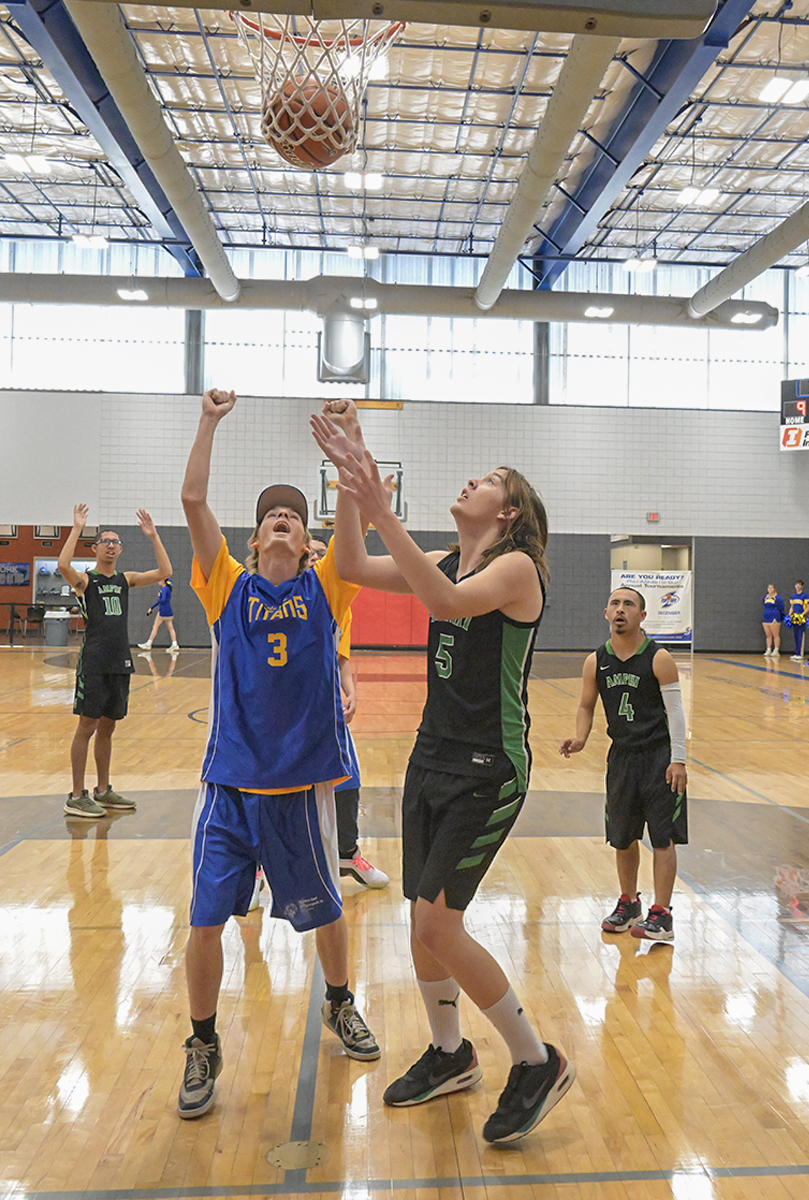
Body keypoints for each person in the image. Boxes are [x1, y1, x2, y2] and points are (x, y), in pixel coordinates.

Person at [314, 405, 575, 1146]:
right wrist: (348, 480)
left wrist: (379, 501)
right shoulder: (450, 559)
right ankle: (451, 1054)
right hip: (432, 756)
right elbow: (350, 566)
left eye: (487, 480)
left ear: (510, 509)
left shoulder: (515, 567)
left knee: (437, 921)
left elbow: (443, 602)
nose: (471, 481)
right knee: (420, 924)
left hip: (490, 769)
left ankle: (537, 1060)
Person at [176, 388, 379, 1120]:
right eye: (270, 514)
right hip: (230, 783)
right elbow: (193, 498)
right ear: (257, 540)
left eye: (291, 512)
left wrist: (351, 440)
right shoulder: (224, 585)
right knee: (204, 920)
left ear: (305, 537)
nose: (281, 517)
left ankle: (340, 1002)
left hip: (299, 787)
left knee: (325, 910)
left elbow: (351, 522)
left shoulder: (329, 589)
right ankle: (201, 1044)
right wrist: (208, 420)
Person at [559, 586, 688, 943]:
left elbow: (676, 713)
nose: (620, 610)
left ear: (642, 616)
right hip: (622, 758)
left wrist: (679, 759)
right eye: (614, 604)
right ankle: (629, 904)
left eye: (628, 604)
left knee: (662, 838)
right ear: (605, 612)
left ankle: (661, 915)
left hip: (659, 757)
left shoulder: (658, 658)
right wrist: (581, 737)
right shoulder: (596, 660)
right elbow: (586, 705)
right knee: (622, 836)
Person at [57, 503, 171, 819]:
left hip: (120, 661)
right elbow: (63, 565)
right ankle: (76, 794)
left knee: (108, 727)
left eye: (116, 541)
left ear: (120, 550)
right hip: (93, 661)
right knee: (87, 726)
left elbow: (165, 573)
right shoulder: (86, 581)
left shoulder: (125, 579)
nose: (111, 545)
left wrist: (153, 536)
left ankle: (103, 790)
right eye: (105, 541)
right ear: (95, 548)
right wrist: (77, 528)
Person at [308, 535, 389, 890]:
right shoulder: (275, 597)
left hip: (326, 707)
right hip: (283, 710)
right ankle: (262, 865)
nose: (314, 558)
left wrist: (350, 691)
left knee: (348, 776)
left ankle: (346, 854)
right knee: (276, 787)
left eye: (321, 555)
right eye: (308, 553)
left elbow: (341, 658)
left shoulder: (340, 606)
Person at [138, 575, 179, 651]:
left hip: (163, 611)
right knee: (171, 628)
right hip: (169, 611)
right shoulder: (168, 589)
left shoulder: (164, 589)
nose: (158, 581)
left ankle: (149, 644)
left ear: (163, 581)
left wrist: (152, 607)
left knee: (155, 627)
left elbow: (162, 600)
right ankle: (175, 644)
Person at [785, 581, 809, 660]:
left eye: (799, 585)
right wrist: (789, 616)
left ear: (802, 586)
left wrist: (802, 615)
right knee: (795, 635)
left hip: (801, 618)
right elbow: (792, 607)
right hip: (794, 618)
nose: (798, 586)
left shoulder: (804, 595)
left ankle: (800, 653)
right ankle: (797, 652)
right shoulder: (793, 596)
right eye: (796, 585)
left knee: (800, 635)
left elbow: (808, 607)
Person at [760, 584, 782, 657]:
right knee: (768, 635)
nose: (770, 589)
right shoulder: (765, 597)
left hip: (774, 616)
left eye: (771, 587)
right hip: (766, 616)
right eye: (768, 587)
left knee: (775, 634)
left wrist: (780, 616)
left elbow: (781, 607)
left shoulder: (777, 598)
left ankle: (776, 649)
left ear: (774, 589)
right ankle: (768, 649)